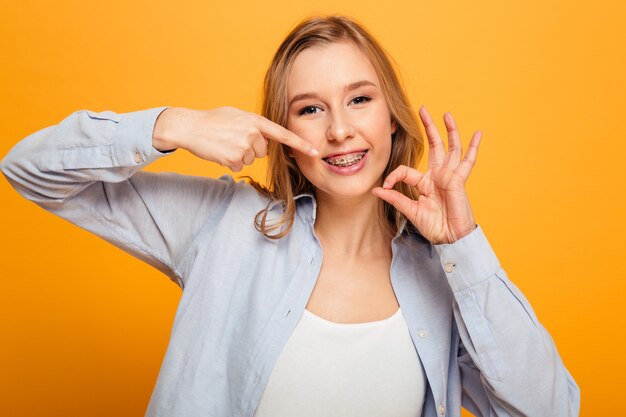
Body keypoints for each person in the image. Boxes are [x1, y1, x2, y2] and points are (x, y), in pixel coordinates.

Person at [0, 14, 580, 417]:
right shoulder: (225, 225)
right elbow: (27, 169)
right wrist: (173, 124)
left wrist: (464, 249)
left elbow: (547, 409)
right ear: (283, 130)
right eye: (310, 108)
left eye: (360, 99)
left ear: (392, 118)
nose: (339, 129)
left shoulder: (444, 278)